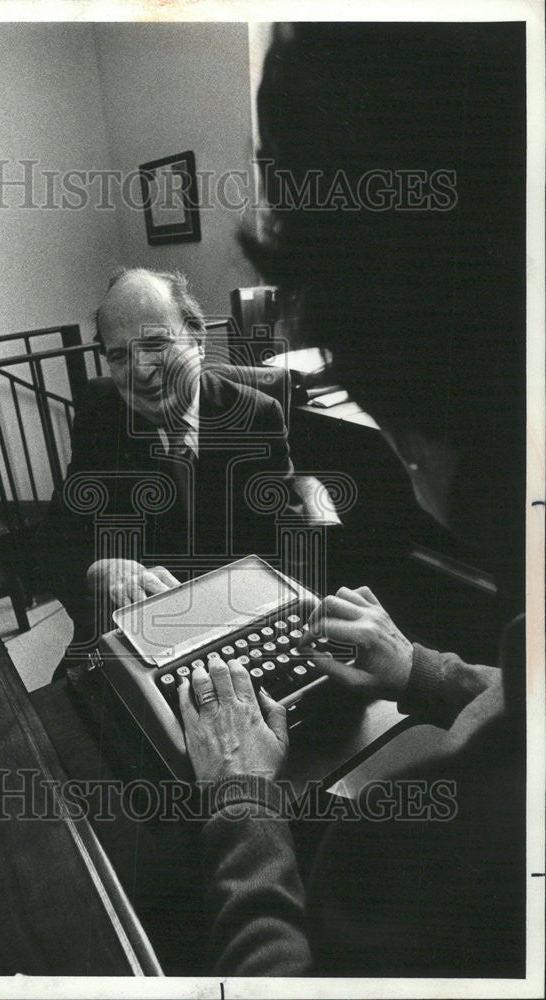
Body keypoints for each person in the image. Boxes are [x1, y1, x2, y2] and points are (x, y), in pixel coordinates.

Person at [177, 23, 526, 977]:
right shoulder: (98, 420)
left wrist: (242, 806)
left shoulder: (413, 864)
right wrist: (428, 670)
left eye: (162, 345)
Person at [39, 266, 304, 656]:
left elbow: (284, 548)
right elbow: (57, 540)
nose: (141, 371)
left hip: (236, 628)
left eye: (157, 344)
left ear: (197, 339)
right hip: (133, 636)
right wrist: (100, 570)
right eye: (119, 356)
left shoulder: (256, 415)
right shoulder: (101, 413)